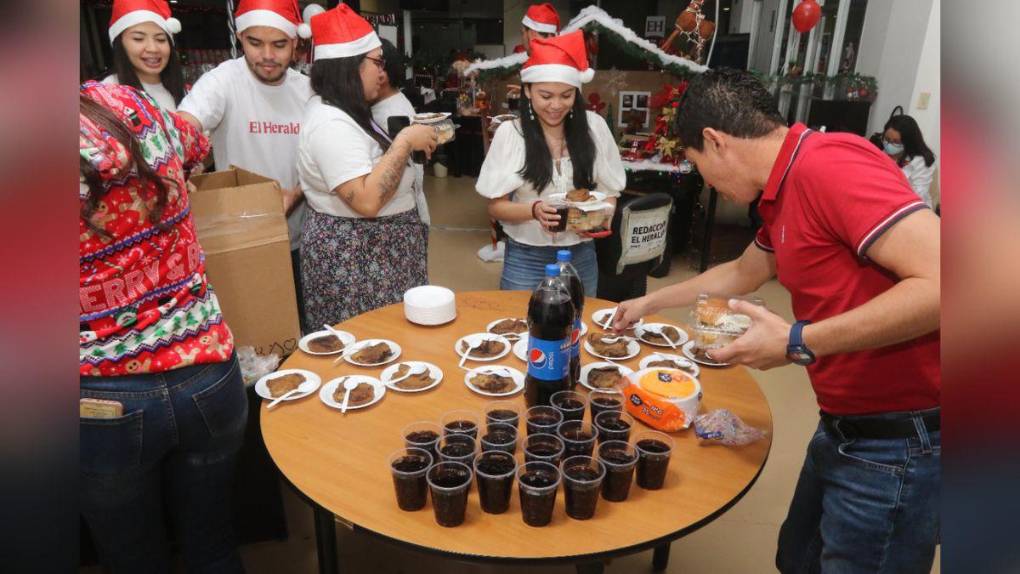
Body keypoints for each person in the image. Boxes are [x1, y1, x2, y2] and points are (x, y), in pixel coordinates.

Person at [614, 69, 940, 573]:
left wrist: (795, 342)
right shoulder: (782, 187)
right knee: (798, 558)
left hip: (901, 440)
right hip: (844, 422)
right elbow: (747, 269)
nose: (707, 184)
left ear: (715, 141)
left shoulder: (828, 167)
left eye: (700, 168)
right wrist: (649, 304)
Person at [80, 81, 246, 573]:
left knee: (133, 559)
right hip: (207, 370)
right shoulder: (132, 103)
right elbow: (196, 142)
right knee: (213, 544)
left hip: (100, 394)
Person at [177, 0, 314, 332]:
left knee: (303, 333)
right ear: (240, 38)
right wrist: (182, 164)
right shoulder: (223, 81)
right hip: (244, 243)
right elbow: (182, 126)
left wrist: (294, 194)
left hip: (302, 238)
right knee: (255, 340)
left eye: (279, 44)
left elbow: (322, 161)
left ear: (295, 42)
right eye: (255, 43)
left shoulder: (308, 91)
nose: (267, 54)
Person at [297, 3, 438, 326]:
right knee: (367, 348)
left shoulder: (349, 111)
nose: (382, 71)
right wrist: (403, 142)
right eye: (376, 62)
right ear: (348, 67)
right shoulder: (330, 123)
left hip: (380, 254)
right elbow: (367, 200)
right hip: (356, 261)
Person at [475, 30, 625, 295]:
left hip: (580, 254)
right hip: (525, 257)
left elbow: (610, 193)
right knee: (521, 327)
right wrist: (533, 211)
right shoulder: (511, 134)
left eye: (566, 96)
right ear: (528, 91)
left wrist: (600, 219)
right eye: (546, 96)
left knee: (578, 324)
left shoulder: (594, 128)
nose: (556, 105)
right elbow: (496, 207)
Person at [371, 38, 428, 224]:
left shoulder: (392, 114)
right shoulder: (388, 102)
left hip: (397, 212)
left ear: (382, 73)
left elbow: (411, 171)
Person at [101, 0, 185, 111]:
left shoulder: (185, 92)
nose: (153, 48)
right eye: (138, 39)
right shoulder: (107, 93)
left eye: (160, 39)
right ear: (120, 44)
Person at [882, 113, 937, 207]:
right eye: (887, 139)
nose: (889, 144)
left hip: (911, 206)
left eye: (896, 141)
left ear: (908, 142)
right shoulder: (883, 153)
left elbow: (918, 195)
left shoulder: (921, 161)